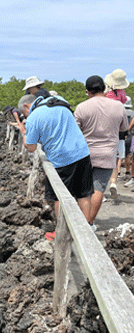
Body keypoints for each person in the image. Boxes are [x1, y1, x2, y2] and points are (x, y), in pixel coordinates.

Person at [18, 94, 94, 240]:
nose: (25, 116)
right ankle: (85, 232)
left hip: (62, 158)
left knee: (60, 196)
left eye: (24, 113)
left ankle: (61, 234)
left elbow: (32, 147)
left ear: (27, 106)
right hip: (82, 152)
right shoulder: (59, 100)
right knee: (84, 193)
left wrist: (24, 133)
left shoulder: (33, 117)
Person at [74, 75, 128, 227]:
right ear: (104, 89)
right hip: (107, 154)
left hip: (85, 154)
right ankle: (88, 223)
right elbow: (123, 128)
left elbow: (75, 131)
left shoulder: (82, 107)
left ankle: (79, 223)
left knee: (83, 190)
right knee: (98, 190)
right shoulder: (118, 107)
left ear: (87, 91)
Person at [104, 69, 130, 195]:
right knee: (115, 159)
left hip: (106, 128)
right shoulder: (122, 94)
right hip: (119, 131)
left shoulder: (107, 94)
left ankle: (101, 188)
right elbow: (123, 103)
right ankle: (113, 182)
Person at [124, 97, 134, 187]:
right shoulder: (133, 113)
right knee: (128, 155)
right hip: (131, 136)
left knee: (118, 156)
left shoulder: (120, 112)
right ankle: (128, 172)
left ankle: (118, 173)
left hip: (121, 135)